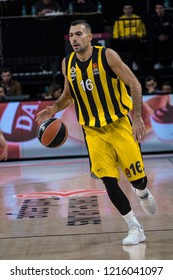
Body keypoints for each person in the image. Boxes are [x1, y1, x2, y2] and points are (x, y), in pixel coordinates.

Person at [36, 19, 157, 246]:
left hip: (119, 125)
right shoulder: (68, 64)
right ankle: (134, 226)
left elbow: (135, 84)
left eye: (79, 34)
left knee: (138, 180)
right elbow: (68, 96)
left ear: (90, 37)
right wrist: (54, 108)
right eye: (71, 35)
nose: (74, 38)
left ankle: (142, 193)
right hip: (93, 132)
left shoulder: (107, 56)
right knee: (109, 181)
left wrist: (138, 117)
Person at [112, 1, 146, 71]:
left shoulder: (137, 18)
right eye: (126, 9)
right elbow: (115, 34)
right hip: (123, 40)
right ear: (123, 10)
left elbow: (143, 32)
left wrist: (135, 35)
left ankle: (135, 62)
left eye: (129, 8)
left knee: (135, 43)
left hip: (135, 39)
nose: (127, 10)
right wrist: (123, 37)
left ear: (132, 9)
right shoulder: (119, 20)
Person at [150, 2, 173, 70]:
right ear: (155, 9)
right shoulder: (152, 18)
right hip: (156, 38)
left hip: (169, 37)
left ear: (164, 9)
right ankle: (156, 63)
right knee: (151, 42)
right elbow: (150, 31)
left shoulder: (170, 17)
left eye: (161, 8)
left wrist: (167, 36)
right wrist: (157, 37)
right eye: (158, 8)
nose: (159, 10)